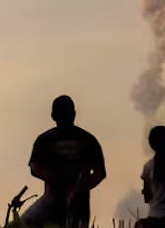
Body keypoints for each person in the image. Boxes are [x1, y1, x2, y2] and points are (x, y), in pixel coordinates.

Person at [23, 95, 106, 228]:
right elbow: (35, 168)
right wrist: (62, 183)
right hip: (55, 200)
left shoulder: (46, 139)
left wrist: (79, 188)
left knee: (26, 223)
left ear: (53, 115)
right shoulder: (87, 139)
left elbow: (99, 173)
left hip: (77, 203)